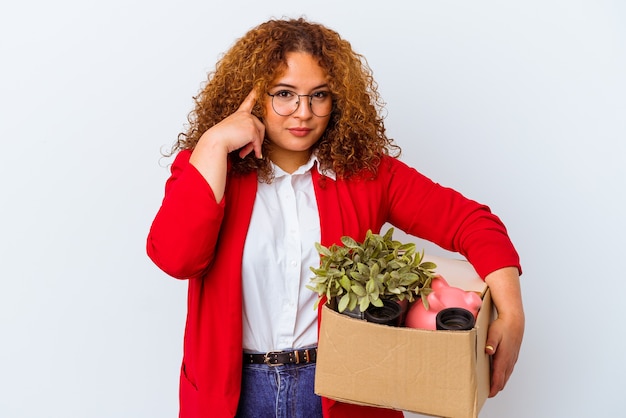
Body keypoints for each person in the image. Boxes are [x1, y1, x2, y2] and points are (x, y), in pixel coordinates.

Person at [146, 17, 525, 418]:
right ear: (253, 96)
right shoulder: (208, 167)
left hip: (344, 390)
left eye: (319, 95)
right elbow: (177, 257)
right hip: (232, 395)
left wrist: (512, 314)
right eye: (284, 94)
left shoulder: (369, 175)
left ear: (337, 99)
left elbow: (472, 222)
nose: (303, 113)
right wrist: (213, 142)